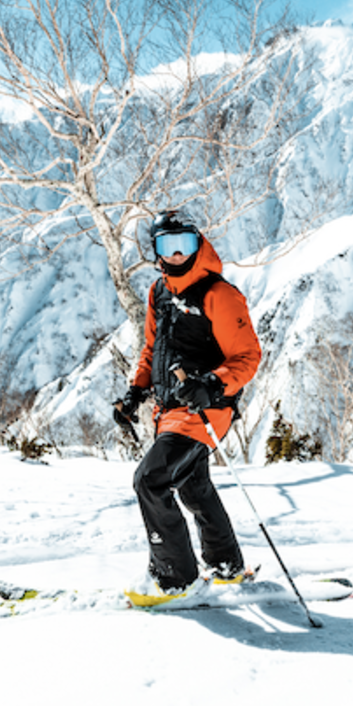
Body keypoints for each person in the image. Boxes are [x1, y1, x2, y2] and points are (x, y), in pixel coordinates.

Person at [113, 210, 263, 596]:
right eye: (168, 246)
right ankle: (226, 565)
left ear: (199, 244)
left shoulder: (219, 295)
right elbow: (152, 349)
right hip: (169, 409)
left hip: (206, 408)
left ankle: (174, 580)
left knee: (150, 480)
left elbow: (248, 357)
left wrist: (212, 384)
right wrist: (136, 391)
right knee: (193, 486)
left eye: (186, 244)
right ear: (156, 251)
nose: (178, 255)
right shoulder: (158, 293)